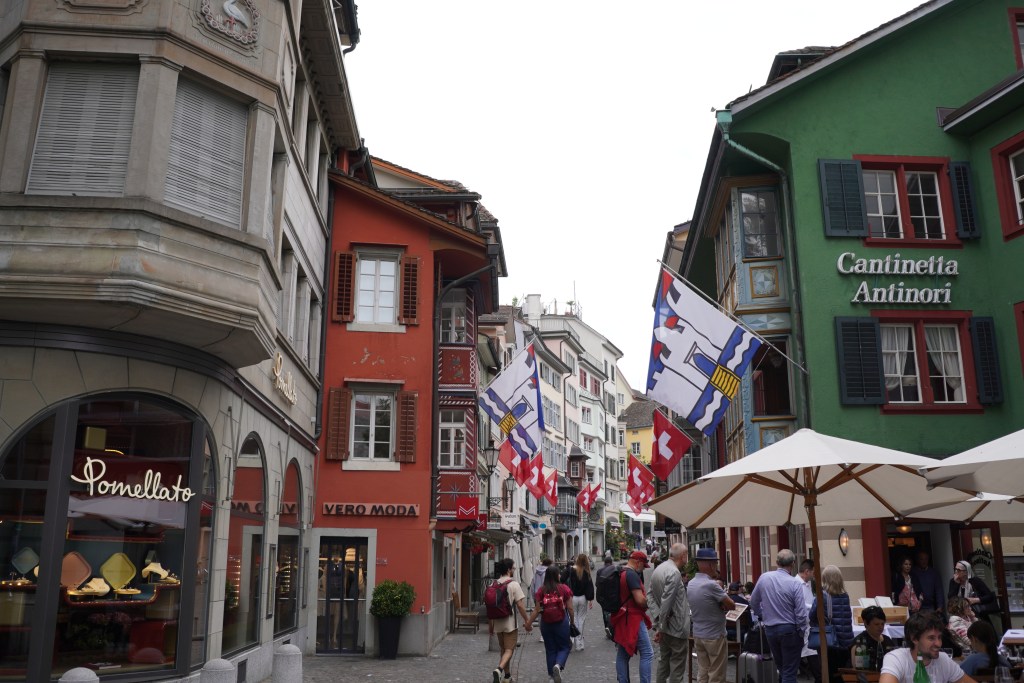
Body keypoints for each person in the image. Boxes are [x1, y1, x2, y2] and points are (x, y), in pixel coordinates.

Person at [749, 549, 807, 683]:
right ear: (793, 563)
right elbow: (801, 613)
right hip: (789, 629)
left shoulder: (764, 577)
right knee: (789, 670)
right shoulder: (795, 583)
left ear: (777, 562)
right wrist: (801, 631)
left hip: (770, 629)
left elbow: (753, 601)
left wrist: (761, 615)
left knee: (783, 668)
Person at [879, 610, 975, 683]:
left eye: (939, 637)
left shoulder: (943, 659)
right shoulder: (897, 658)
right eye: (931, 638)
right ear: (914, 639)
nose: (938, 644)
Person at [687, 547, 735, 683]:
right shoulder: (711, 585)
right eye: (715, 563)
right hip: (714, 635)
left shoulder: (691, 584)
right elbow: (731, 605)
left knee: (703, 671)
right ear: (710, 564)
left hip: (698, 633)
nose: (716, 566)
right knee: (716, 674)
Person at [647, 543, 690, 683]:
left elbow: (650, 596)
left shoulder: (659, 569)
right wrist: (661, 625)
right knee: (677, 667)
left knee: (663, 662)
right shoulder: (674, 572)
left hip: (665, 626)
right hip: (676, 627)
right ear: (683, 556)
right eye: (687, 555)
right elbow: (667, 601)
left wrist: (658, 619)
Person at [527, 565, 575, 683]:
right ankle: (558, 665)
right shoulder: (564, 588)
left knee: (550, 649)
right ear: (556, 575)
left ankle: (551, 677)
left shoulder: (541, 590)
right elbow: (570, 608)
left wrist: (528, 623)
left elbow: (537, 610)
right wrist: (572, 622)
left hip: (546, 623)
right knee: (565, 646)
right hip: (561, 622)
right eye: (559, 573)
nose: (560, 575)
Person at [612, 550, 654, 683]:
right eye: (643, 566)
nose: (643, 570)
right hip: (633, 618)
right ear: (638, 562)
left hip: (624, 616)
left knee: (623, 654)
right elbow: (640, 600)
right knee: (647, 653)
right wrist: (651, 600)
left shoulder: (622, 572)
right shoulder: (631, 575)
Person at [489, 557, 533, 683]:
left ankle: (507, 677)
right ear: (508, 570)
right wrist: (527, 621)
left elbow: (490, 607)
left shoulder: (493, 584)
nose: (514, 570)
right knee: (509, 650)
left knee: (503, 650)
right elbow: (520, 605)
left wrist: (491, 625)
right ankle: (499, 669)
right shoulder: (513, 584)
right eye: (513, 568)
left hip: (497, 622)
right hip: (509, 623)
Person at [809, 565, 854, 683]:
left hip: (829, 640)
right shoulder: (845, 595)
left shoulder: (822, 595)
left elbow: (812, 615)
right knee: (841, 674)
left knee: (827, 673)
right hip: (845, 640)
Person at [849, 605, 894, 671]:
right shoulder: (860, 643)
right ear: (866, 623)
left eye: (882, 624)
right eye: (876, 624)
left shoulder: (887, 640)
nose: (880, 627)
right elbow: (860, 671)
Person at [564, 553, 595, 651]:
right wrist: (590, 599)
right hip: (582, 598)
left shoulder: (570, 570)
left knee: (572, 618)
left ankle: (572, 638)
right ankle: (579, 643)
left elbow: (561, 579)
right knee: (581, 620)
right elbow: (589, 587)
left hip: (571, 597)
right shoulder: (586, 572)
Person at [798, 559, 821, 683]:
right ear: (807, 571)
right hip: (802, 628)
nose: (813, 575)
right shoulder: (796, 584)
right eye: (813, 572)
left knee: (812, 654)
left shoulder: (807, 584)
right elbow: (801, 605)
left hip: (810, 627)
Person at [597, 552, 617, 639]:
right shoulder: (615, 569)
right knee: (613, 611)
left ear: (604, 562)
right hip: (613, 594)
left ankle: (607, 626)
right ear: (611, 562)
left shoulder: (600, 571)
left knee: (605, 612)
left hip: (602, 595)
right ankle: (612, 627)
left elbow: (597, 583)